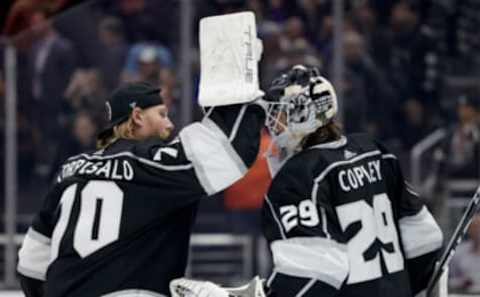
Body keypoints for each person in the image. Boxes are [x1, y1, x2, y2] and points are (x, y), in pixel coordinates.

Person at [17, 81, 266, 297]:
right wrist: (251, 100)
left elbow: (30, 263)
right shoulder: (150, 164)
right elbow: (230, 150)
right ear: (137, 116)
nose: (168, 124)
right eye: (161, 114)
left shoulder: (70, 169)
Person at [261, 65, 444, 297]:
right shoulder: (375, 151)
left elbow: (314, 273)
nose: (273, 125)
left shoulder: (297, 177)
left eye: (279, 114)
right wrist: (417, 290)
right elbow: (424, 236)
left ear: (302, 114)